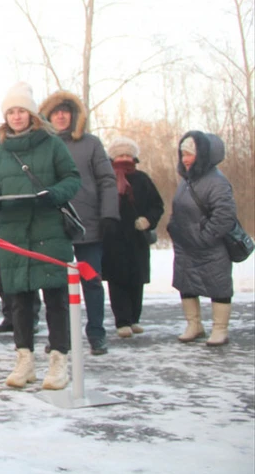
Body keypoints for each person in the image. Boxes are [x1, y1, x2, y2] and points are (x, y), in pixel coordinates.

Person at [0, 82, 80, 390]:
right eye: (10, 111)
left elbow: (72, 178)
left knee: (56, 298)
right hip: (13, 232)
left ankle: (59, 361)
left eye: (21, 111)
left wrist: (53, 194)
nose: (16, 116)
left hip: (48, 229)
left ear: (31, 114)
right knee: (19, 300)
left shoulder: (52, 144)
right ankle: (24, 359)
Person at [39, 91, 118, 356]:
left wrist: (109, 214)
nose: (61, 116)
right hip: (53, 224)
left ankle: (97, 334)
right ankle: (60, 337)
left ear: (74, 116)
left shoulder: (91, 144)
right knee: (54, 284)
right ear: (48, 116)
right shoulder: (43, 146)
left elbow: (107, 180)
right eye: (55, 112)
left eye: (66, 111)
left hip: (89, 223)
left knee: (92, 281)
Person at [167, 132, 238, 347]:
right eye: (183, 154)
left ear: (203, 155)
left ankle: (220, 329)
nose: (185, 159)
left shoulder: (217, 181)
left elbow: (225, 216)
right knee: (186, 284)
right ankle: (194, 325)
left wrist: (204, 237)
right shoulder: (187, 181)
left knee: (218, 286)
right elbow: (178, 208)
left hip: (211, 248)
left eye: (190, 154)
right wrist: (174, 228)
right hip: (186, 246)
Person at [101, 137, 164, 338]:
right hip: (113, 237)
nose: (124, 159)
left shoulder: (143, 179)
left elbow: (157, 205)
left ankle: (135, 318)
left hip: (137, 238)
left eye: (128, 155)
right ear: (112, 157)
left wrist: (148, 220)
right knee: (116, 280)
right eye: (120, 155)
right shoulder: (106, 179)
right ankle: (122, 321)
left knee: (137, 280)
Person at [0, 142, 41, 335]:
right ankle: (9, 316)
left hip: (22, 237)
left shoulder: (24, 180)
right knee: (3, 280)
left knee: (26, 279)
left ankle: (31, 317)